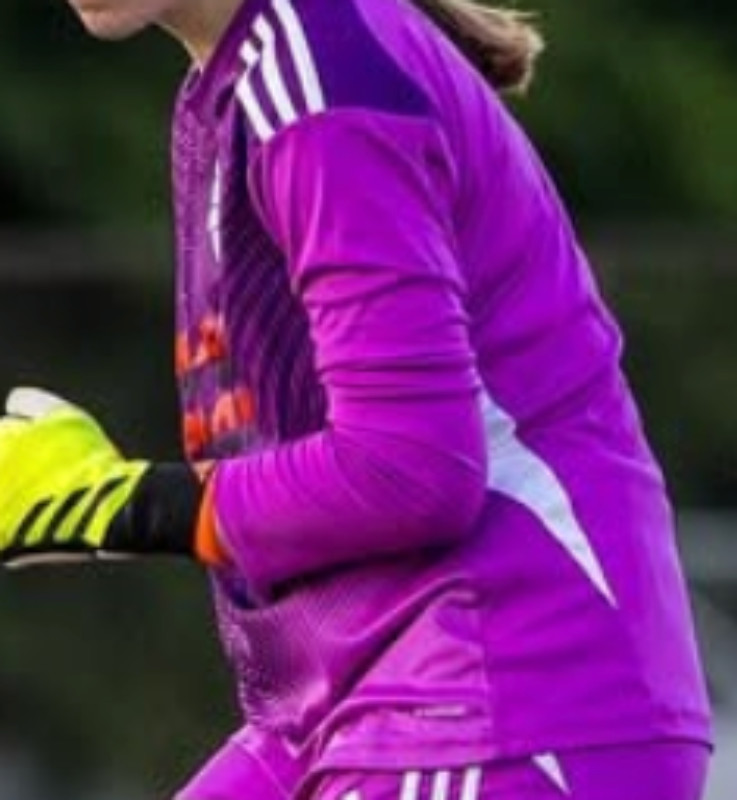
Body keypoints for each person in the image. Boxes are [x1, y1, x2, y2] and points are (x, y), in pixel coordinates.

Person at [0, 0, 713, 797]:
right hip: (356, 702)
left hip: (503, 694)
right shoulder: (236, 87)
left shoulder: (317, 72)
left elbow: (409, 471)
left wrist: (113, 505)